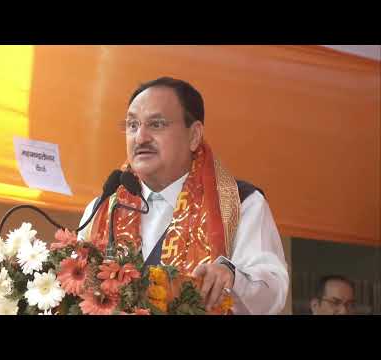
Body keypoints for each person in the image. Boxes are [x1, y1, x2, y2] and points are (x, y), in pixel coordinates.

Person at [78, 77, 289, 314]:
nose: (141, 137)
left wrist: (231, 276)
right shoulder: (102, 209)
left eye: (156, 124)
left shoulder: (240, 203)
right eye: (132, 125)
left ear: (194, 136)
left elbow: (272, 293)